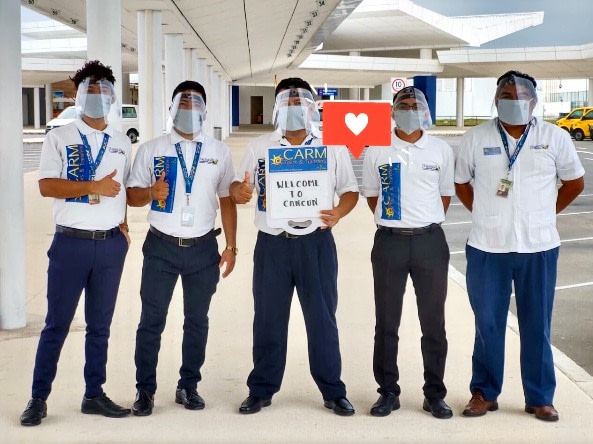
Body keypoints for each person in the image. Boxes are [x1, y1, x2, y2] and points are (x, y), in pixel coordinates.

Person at [455, 70, 585, 422]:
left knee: (537, 325)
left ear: (535, 100)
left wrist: (545, 214)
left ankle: (540, 397)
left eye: (521, 94)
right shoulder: (476, 137)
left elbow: (574, 182)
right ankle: (483, 392)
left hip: (539, 248)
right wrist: (485, 213)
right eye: (506, 95)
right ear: (495, 100)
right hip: (486, 248)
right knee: (488, 323)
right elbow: (462, 183)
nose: (514, 100)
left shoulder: (553, 137)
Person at [231, 78, 359, 416]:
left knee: (322, 320)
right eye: (286, 103)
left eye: (300, 103)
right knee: (268, 319)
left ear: (313, 107)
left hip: (315, 245)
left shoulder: (332, 145)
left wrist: (339, 213)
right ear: (277, 108)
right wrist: (239, 193)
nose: (294, 109)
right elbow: (238, 187)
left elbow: (349, 190)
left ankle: (333, 390)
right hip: (272, 246)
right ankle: (261, 389)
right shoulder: (260, 147)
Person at [20, 60, 132, 426]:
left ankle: (93, 394)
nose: (98, 97)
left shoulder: (120, 141)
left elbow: (124, 190)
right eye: (91, 90)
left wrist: (125, 224)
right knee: (57, 324)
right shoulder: (61, 136)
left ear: (113, 97)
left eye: (104, 91)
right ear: (78, 95)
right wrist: (91, 187)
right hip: (71, 245)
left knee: (101, 325)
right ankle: (38, 398)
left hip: (110, 245)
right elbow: (46, 186)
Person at [126, 80, 237, 416]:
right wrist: (151, 194)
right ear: (172, 108)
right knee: (151, 321)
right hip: (160, 247)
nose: (190, 110)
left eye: (196, 104)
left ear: (205, 110)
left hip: (204, 249)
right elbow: (132, 196)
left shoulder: (219, 151)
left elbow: (227, 199)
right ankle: (145, 390)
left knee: (197, 320)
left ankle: (188, 386)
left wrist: (232, 246)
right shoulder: (151, 149)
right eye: (183, 104)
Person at [361, 86, 455, 419]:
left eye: (416, 104)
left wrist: (422, 222)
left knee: (434, 323)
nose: (410, 108)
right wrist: (395, 221)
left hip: (430, 243)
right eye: (404, 103)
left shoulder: (441, 149)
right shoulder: (377, 150)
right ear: (393, 110)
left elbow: (444, 196)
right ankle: (388, 391)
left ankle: (434, 393)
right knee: (386, 322)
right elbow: (372, 196)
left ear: (426, 110)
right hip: (389, 243)